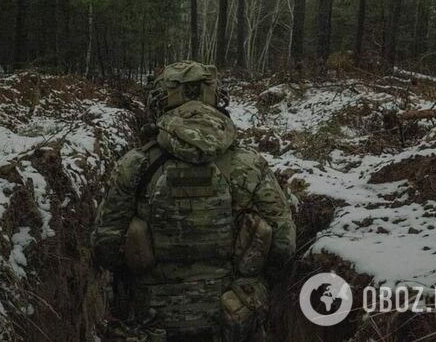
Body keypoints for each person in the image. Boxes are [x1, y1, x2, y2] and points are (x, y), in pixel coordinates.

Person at [92, 62, 296, 341]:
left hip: (150, 318)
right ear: (216, 97)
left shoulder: (135, 165)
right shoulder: (248, 165)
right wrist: (254, 283)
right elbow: (283, 244)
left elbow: (106, 247)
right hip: (232, 315)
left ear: (160, 99)